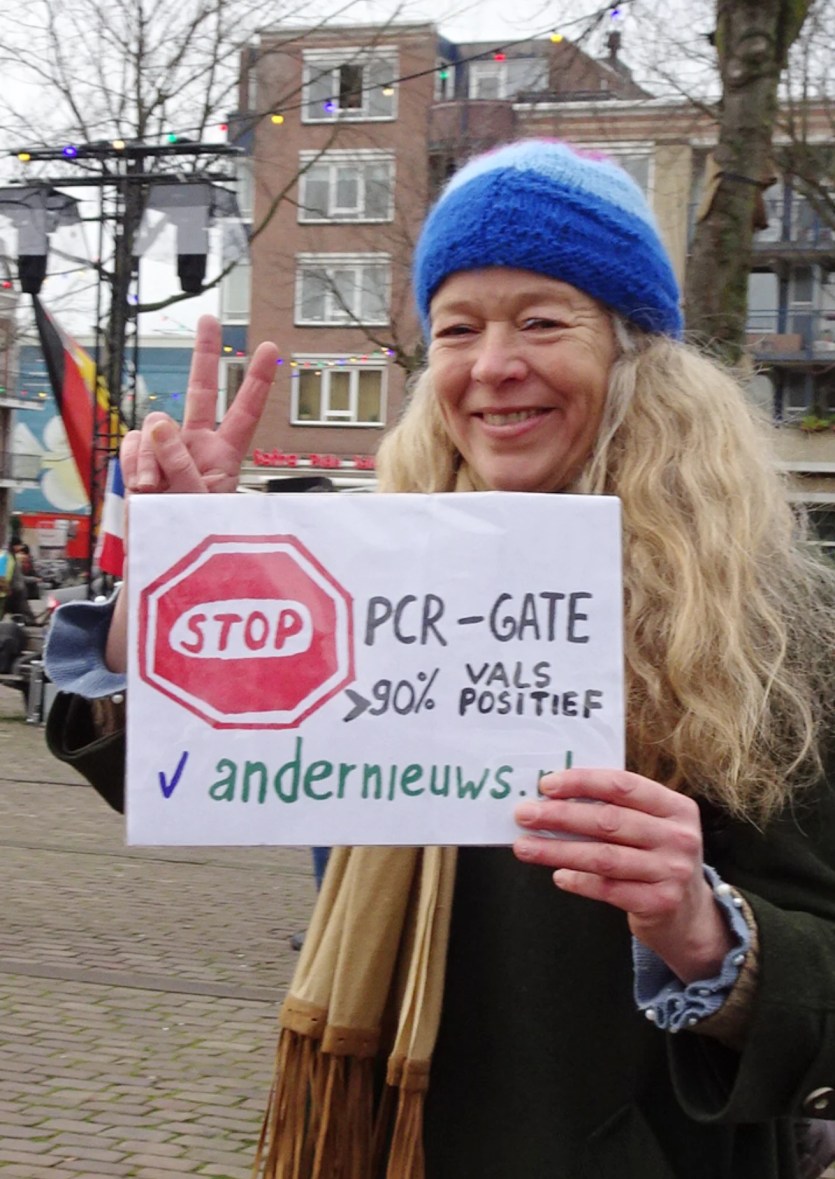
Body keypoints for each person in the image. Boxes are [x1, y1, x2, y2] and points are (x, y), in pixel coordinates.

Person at [43, 140, 835, 1179]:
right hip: (379, 1133)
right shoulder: (377, 575)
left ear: (636, 356)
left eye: (541, 321)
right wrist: (184, 577)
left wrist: (704, 931)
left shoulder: (769, 627)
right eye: (458, 329)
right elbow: (187, 771)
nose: (491, 365)